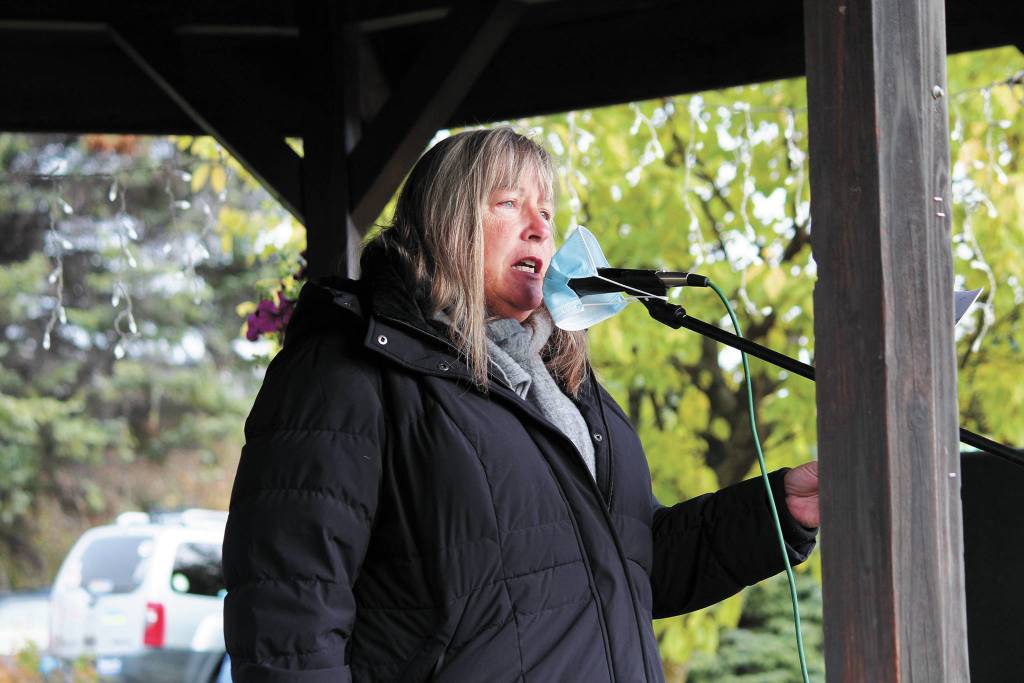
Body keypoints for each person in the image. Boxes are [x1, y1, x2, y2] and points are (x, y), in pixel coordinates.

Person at [222, 127, 819, 682]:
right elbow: (289, 617)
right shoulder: (350, 369)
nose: (539, 228)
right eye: (508, 203)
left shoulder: (565, 385)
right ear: (443, 220)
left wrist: (780, 510)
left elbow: (633, 564)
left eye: (547, 213)